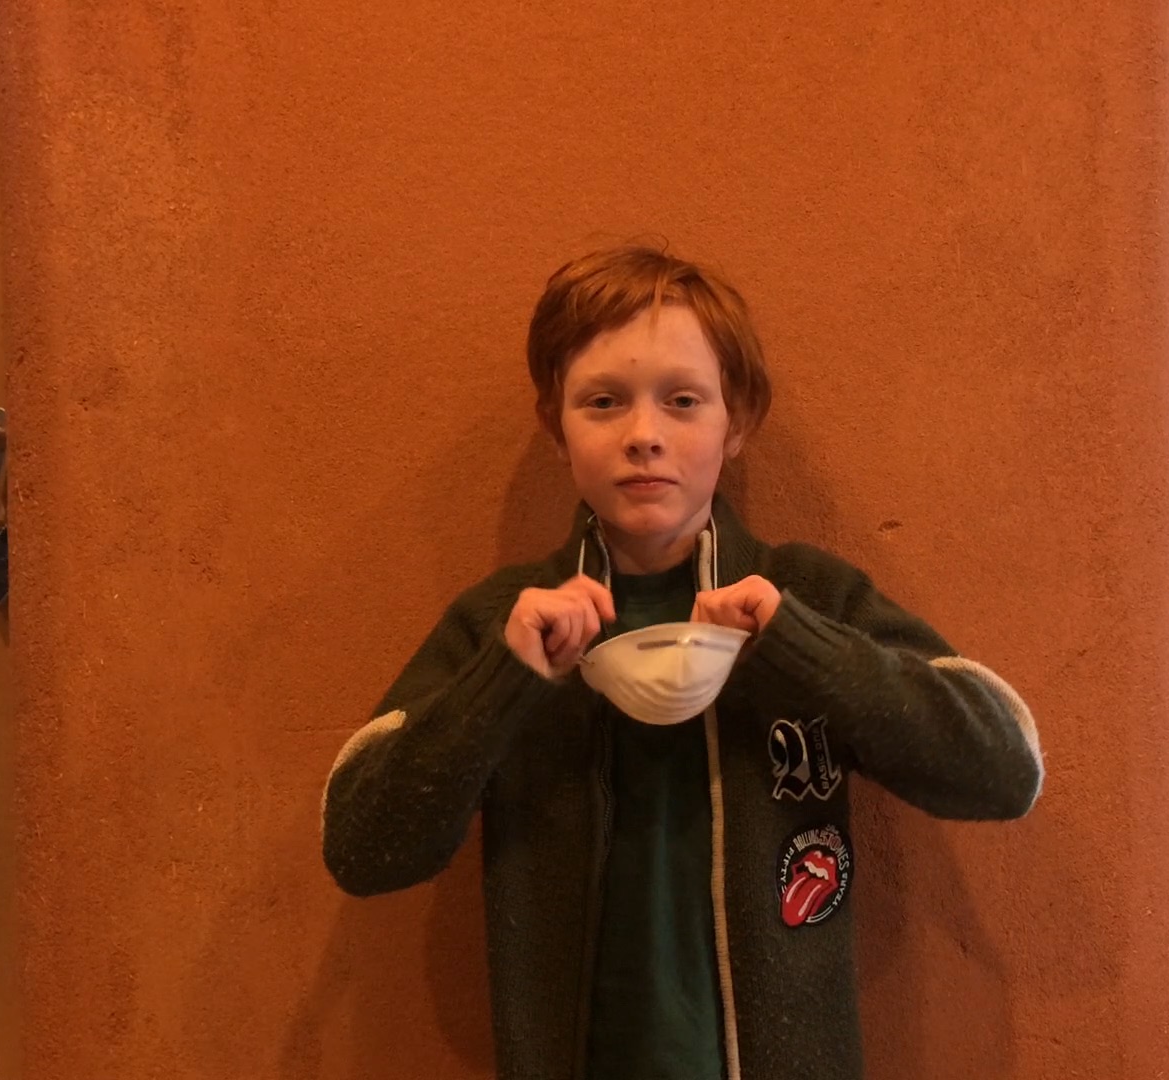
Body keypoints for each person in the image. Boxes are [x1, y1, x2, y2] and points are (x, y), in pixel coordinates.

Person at [321, 244, 1044, 1080]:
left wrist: (798, 646)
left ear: (737, 423)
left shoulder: (807, 597)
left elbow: (1004, 770)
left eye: (683, 401)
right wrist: (503, 682)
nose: (644, 436)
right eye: (603, 402)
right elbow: (361, 847)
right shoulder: (503, 623)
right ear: (556, 429)